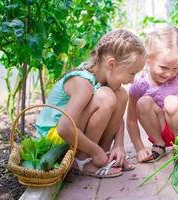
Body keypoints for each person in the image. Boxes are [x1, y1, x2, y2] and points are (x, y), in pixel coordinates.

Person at [35, 29, 146, 178]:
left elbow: (118, 117)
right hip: (55, 141)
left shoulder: (101, 77)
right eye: (132, 73)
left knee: (120, 95)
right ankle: (84, 160)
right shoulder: (82, 83)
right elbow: (64, 128)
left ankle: (105, 156)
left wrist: (119, 145)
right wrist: (95, 151)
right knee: (106, 96)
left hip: (75, 137)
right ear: (111, 64)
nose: (132, 80)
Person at [127, 26, 178, 163]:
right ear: (147, 59)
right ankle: (159, 145)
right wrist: (139, 148)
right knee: (143, 102)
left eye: (175, 68)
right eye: (163, 67)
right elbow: (131, 120)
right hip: (161, 130)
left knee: (171, 101)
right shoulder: (139, 84)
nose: (169, 74)